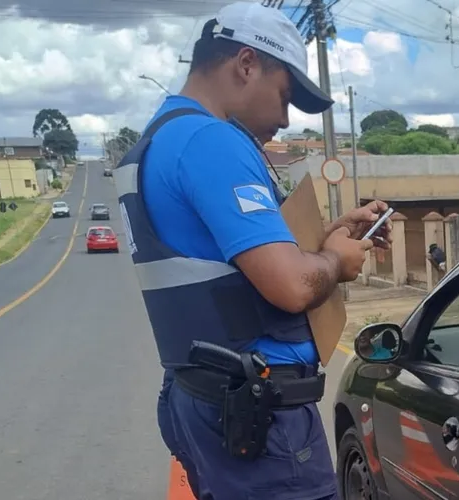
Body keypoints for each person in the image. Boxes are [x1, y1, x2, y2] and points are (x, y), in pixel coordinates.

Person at [114, 3, 391, 499]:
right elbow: (290, 286)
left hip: (204, 398)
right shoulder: (211, 140)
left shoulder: (159, 140)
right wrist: (336, 262)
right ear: (245, 64)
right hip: (260, 416)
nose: (284, 120)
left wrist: (328, 235)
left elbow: (224, 261)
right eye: (284, 97)